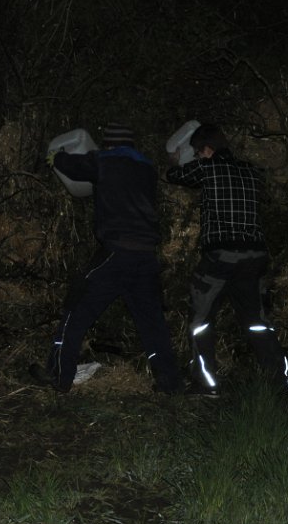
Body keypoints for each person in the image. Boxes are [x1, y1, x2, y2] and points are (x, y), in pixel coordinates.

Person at [30, 122, 180, 394]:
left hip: (116, 252)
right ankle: (169, 382)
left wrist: (57, 157)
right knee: (152, 322)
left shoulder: (106, 160)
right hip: (146, 256)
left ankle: (59, 375)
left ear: (109, 144)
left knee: (77, 307)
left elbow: (76, 166)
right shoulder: (147, 168)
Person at [165, 123, 288, 396]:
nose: (197, 157)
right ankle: (280, 384)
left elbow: (174, 175)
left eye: (198, 153)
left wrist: (174, 161)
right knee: (257, 321)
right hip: (254, 255)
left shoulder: (207, 168)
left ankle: (206, 384)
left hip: (221, 255)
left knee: (200, 319)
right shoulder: (252, 171)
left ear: (207, 150)